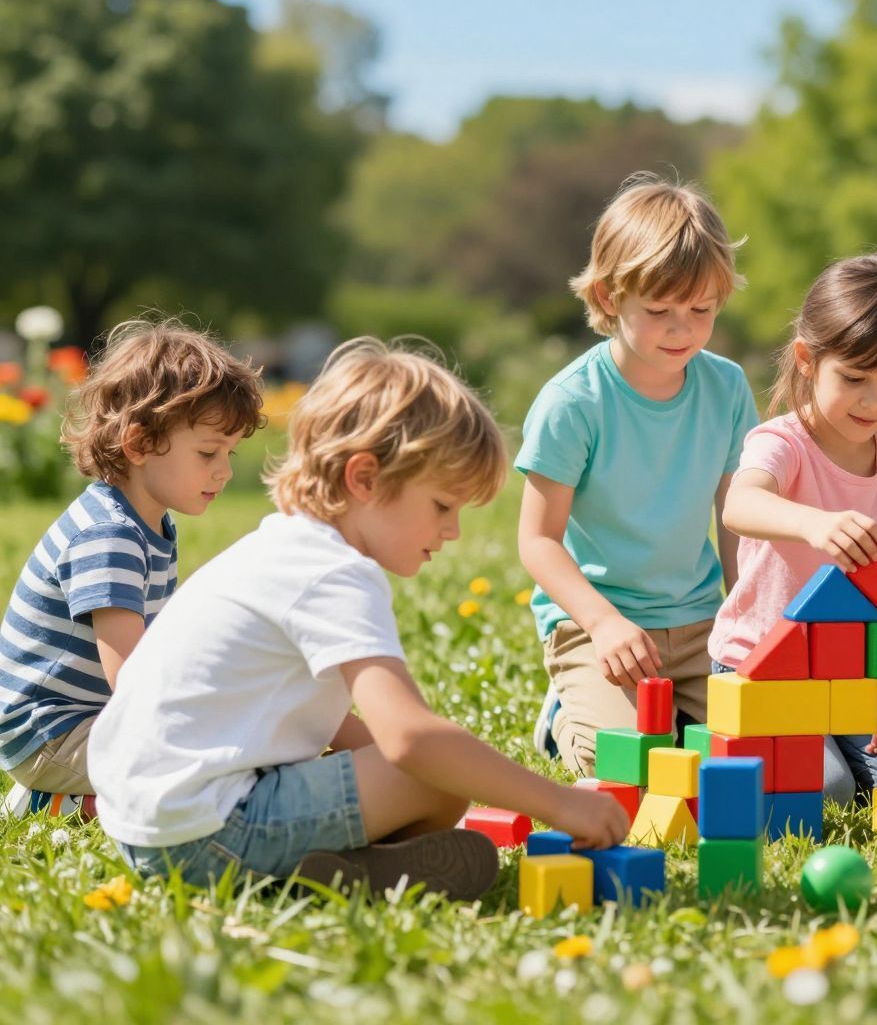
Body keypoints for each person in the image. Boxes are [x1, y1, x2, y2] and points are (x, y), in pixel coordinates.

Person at [91, 338, 628, 893]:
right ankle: (324, 871)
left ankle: (343, 870)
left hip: (145, 828)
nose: (452, 531)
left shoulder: (282, 548)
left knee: (438, 769)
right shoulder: (333, 572)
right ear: (365, 479)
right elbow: (411, 740)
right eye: (442, 506)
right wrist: (559, 803)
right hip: (206, 832)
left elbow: (321, 723)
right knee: (437, 776)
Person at [517, 174, 756, 774]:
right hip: (599, 623)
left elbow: (737, 519)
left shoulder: (726, 387)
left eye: (701, 309)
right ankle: (564, 716)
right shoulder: (572, 401)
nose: (682, 328)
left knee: (751, 755)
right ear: (607, 297)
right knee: (627, 766)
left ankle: (673, 712)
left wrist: (746, 616)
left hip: (701, 624)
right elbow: (538, 540)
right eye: (659, 310)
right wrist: (602, 624)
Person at [1, 318, 263, 816]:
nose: (225, 470)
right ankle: (56, 802)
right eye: (208, 452)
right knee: (207, 774)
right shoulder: (109, 536)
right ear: (139, 444)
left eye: (230, 453)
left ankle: (80, 795)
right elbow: (133, 679)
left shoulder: (147, 522)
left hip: (81, 721)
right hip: (49, 735)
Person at [711, 252, 877, 803]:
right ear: (807, 360)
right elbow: (739, 503)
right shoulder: (781, 443)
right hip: (761, 664)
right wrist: (813, 524)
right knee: (826, 789)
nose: (874, 401)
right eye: (854, 378)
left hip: (851, 669)